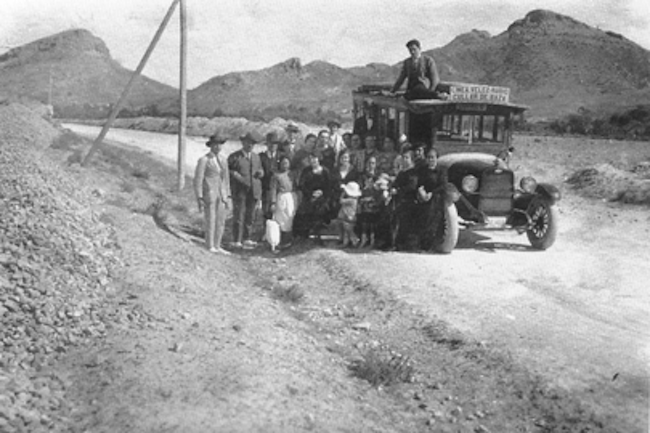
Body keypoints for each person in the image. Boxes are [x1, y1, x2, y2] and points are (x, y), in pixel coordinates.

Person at [193, 133, 231, 254]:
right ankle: (209, 245)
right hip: (209, 192)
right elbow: (198, 180)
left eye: (220, 145)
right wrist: (199, 196)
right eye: (215, 145)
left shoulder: (223, 160)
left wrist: (228, 195)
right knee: (210, 219)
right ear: (211, 146)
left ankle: (217, 244)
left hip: (221, 194)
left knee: (221, 220)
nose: (218, 147)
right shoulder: (204, 160)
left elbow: (226, 180)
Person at [228, 131, 264, 249]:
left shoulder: (256, 157)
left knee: (250, 215)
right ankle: (236, 239)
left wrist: (261, 173)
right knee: (239, 214)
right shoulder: (234, 157)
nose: (250, 145)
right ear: (243, 143)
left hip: (253, 190)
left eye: (252, 144)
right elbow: (229, 172)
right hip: (240, 191)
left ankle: (246, 238)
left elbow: (260, 169)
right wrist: (238, 177)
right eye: (248, 143)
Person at [293, 153, 332, 242]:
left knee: (321, 211)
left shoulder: (325, 171)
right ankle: (302, 236)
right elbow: (302, 185)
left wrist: (322, 193)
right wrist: (311, 193)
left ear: (318, 159)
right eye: (311, 159)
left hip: (323, 197)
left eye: (315, 159)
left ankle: (319, 235)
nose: (313, 161)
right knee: (303, 212)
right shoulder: (306, 171)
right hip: (309, 196)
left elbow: (329, 185)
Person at [415, 147, 448, 251]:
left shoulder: (442, 170)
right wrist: (422, 192)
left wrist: (431, 194)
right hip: (423, 196)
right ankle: (422, 244)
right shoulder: (423, 170)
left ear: (437, 158)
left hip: (436, 196)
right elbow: (419, 183)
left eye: (433, 157)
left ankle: (431, 244)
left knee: (432, 216)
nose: (430, 160)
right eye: (429, 157)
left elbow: (443, 185)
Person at [390, 149, 419, 250]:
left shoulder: (413, 173)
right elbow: (396, 183)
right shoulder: (402, 172)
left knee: (405, 221)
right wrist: (393, 188)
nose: (405, 160)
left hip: (410, 200)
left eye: (407, 158)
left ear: (411, 159)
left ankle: (404, 244)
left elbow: (411, 186)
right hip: (400, 200)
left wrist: (398, 191)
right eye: (403, 158)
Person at [269, 155, 298, 249]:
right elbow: (273, 189)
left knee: (290, 217)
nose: (285, 165)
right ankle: (279, 241)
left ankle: (289, 241)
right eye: (283, 163)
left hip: (291, 196)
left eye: (287, 163)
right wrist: (273, 202)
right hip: (281, 196)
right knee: (281, 218)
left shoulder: (292, 174)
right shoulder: (276, 175)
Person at [329, 150, 360, 221]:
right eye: (342, 158)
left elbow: (357, 185)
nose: (344, 160)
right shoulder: (335, 170)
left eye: (346, 157)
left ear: (349, 158)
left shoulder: (354, 171)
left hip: (349, 200)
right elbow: (331, 183)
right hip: (336, 198)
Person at [260, 131, 283, 220]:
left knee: (279, 212)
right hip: (266, 189)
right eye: (270, 143)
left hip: (279, 190)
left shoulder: (281, 157)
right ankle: (266, 232)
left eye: (274, 143)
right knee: (266, 212)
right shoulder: (261, 157)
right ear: (267, 144)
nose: (272, 145)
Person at [335, 181, 362, 248]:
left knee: (349, 230)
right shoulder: (353, 199)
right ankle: (347, 242)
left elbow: (341, 200)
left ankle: (354, 242)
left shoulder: (351, 200)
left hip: (349, 216)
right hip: (348, 216)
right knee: (347, 230)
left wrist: (343, 193)